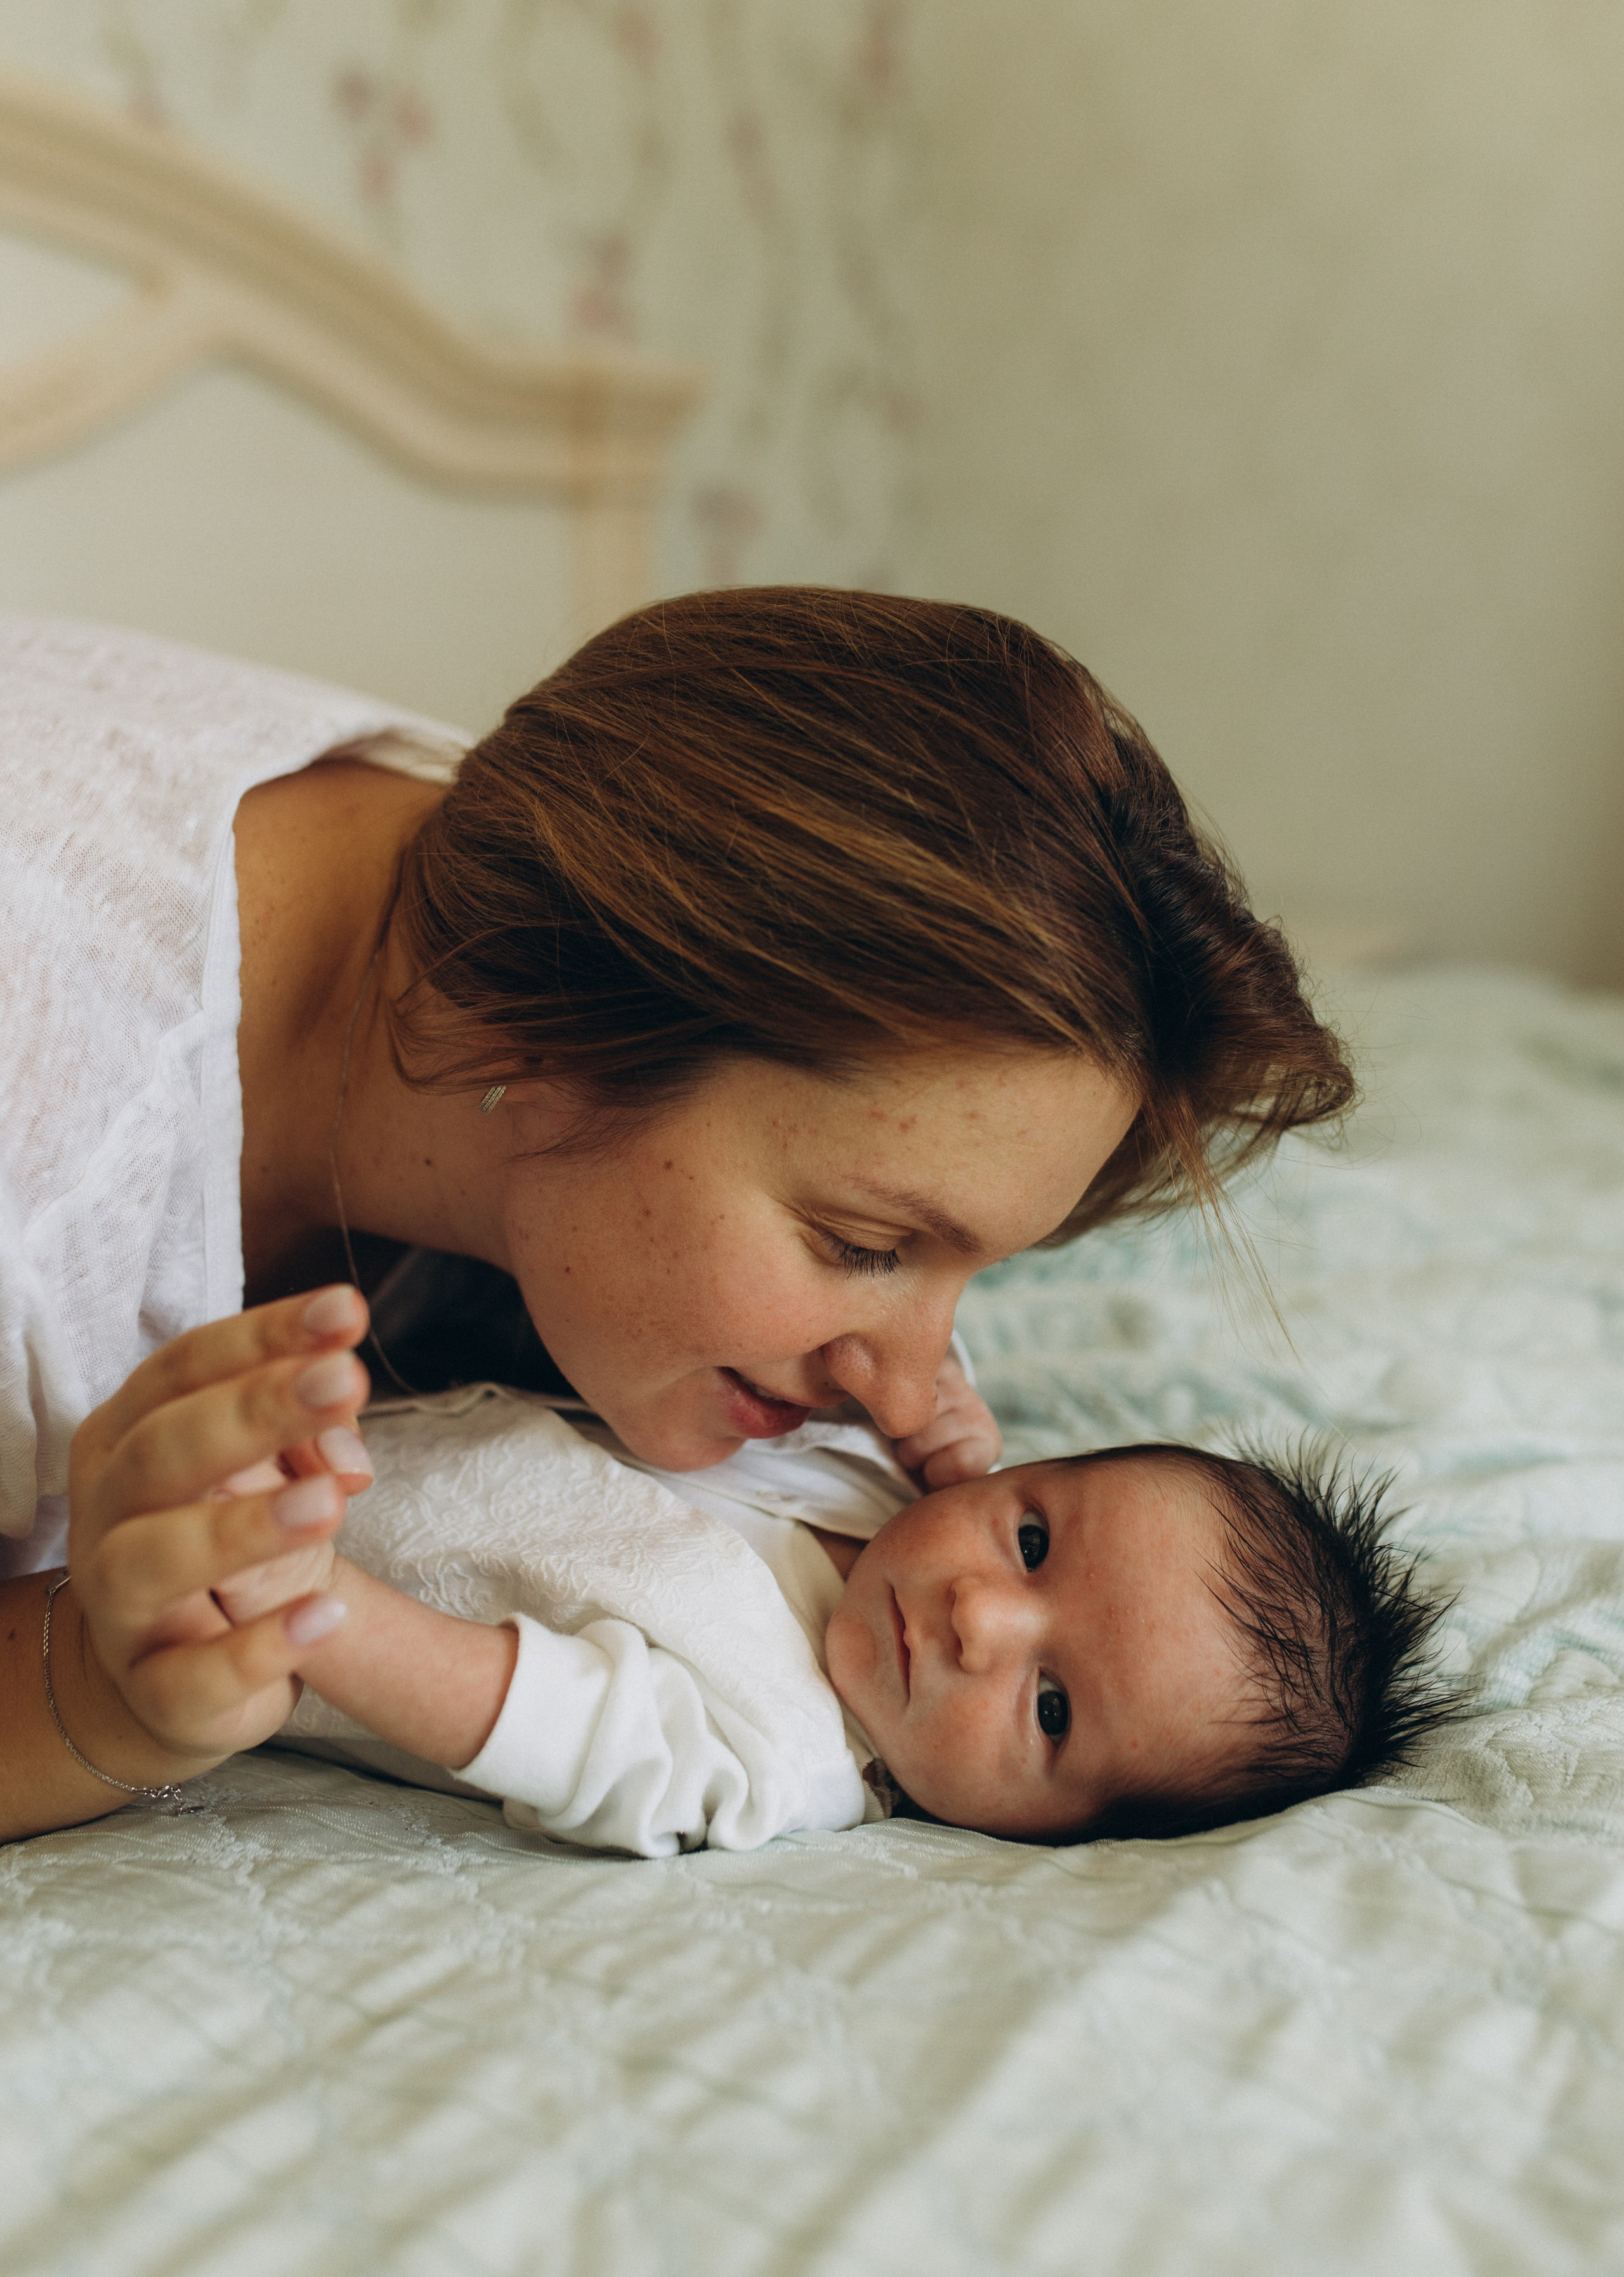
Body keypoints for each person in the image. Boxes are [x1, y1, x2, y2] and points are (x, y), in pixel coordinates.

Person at [0, 589, 1354, 1842]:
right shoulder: (38, 1172)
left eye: (965, 1272)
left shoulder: (563, 850)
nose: (899, 1388)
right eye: (863, 1243)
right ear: (550, 1015)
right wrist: (89, 1689)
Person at [238, 1385, 1450, 1856]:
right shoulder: (872, 1477)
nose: (983, 1619)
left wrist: (318, 1612)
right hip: (304, 1409)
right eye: (1032, 1541)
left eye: (1052, 1707)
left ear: (1054, 1832)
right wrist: (921, 1399)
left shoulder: (785, 1755)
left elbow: (560, 1728)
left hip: (238, 1577)